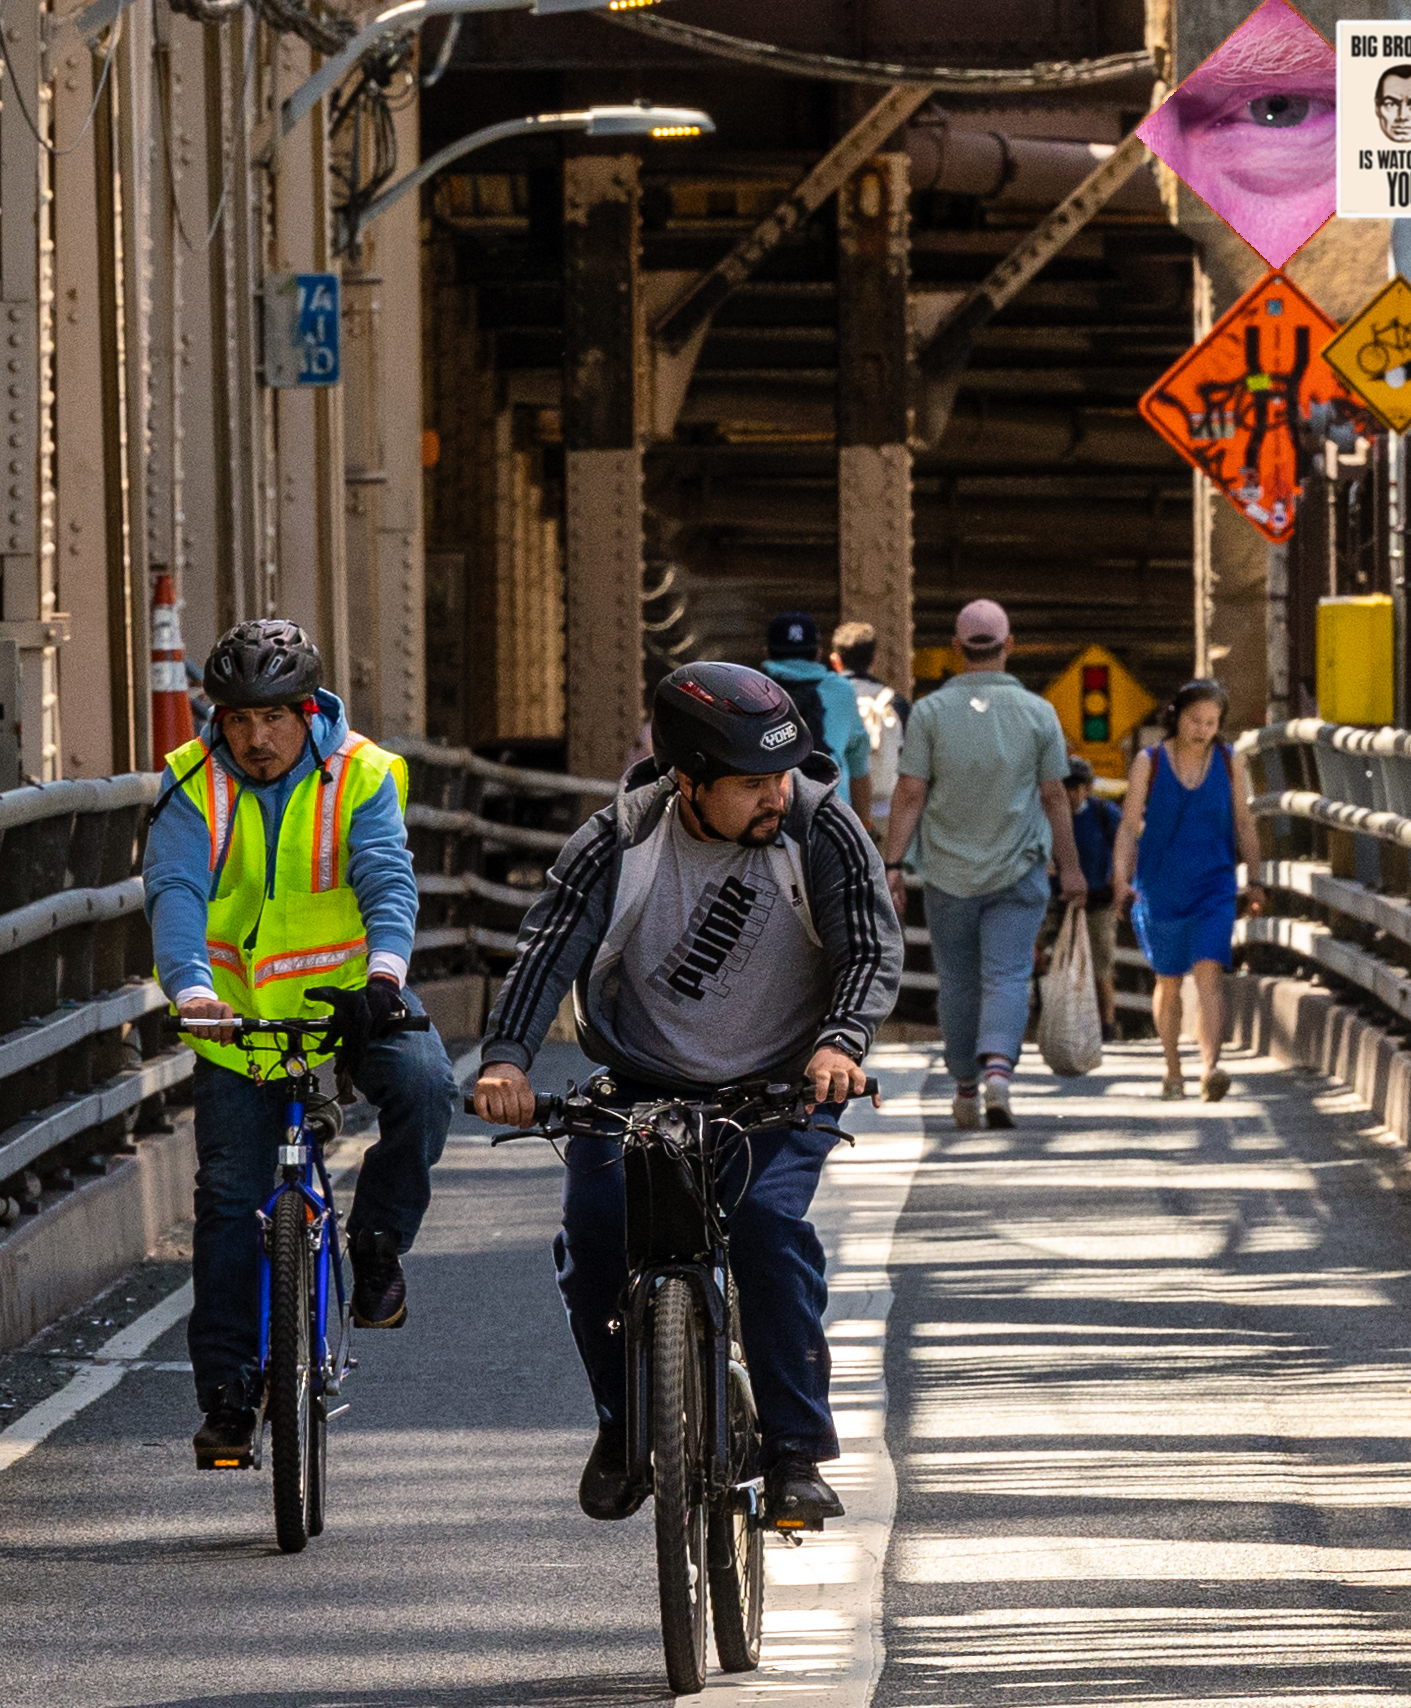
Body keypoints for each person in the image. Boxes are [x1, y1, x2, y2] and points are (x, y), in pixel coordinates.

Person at [471, 662, 899, 1528]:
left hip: (785, 1084)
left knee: (767, 1231)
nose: (776, 794)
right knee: (593, 1237)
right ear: (690, 784)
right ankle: (625, 1423)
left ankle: (792, 1454)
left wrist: (840, 1042)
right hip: (639, 1084)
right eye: (752, 784)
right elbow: (546, 948)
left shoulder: (821, 828)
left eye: (781, 775)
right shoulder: (619, 841)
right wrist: (506, 1060)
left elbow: (868, 948)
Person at [144, 618, 451, 1467]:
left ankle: (379, 1240)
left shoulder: (360, 772)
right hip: (236, 1018)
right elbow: (174, 888)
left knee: (426, 1087)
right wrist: (192, 990)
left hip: (354, 995)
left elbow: (386, 874)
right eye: (237, 719)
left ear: (306, 710)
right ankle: (229, 1394)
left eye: (273, 717)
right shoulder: (189, 784)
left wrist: (386, 976)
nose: (254, 738)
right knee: (228, 1199)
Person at [881, 600, 1087, 1130]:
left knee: (958, 980)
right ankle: (999, 1071)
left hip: (948, 873)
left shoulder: (927, 713)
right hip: (1018, 870)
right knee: (1008, 975)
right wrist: (1071, 868)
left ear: (956, 649)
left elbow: (908, 793)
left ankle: (965, 1086)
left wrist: (892, 864)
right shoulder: (1039, 713)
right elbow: (1055, 798)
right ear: (1009, 645)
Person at [1112, 680, 1267, 1101]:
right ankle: (1173, 1070)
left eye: (1211, 722)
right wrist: (1120, 879)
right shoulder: (1151, 762)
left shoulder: (1229, 761)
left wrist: (1254, 879)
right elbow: (1128, 828)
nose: (1202, 729)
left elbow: (1244, 824)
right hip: (1160, 887)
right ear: (1176, 715)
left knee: (1208, 973)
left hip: (1214, 884)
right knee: (1168, 981)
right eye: (1195, 720)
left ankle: (1211, 1067)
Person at [763, 611, 872, 820]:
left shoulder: (754, 689)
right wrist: (865, 826)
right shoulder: (842, 691)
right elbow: (858, 764)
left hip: (770, 816)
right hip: (831, 815)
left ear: (768, 652)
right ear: (818, 653)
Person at [1059, 755, 1123, 1040]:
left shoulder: (1102, 813)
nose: (1071, 793)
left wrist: (1118, 878)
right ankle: (1068, 1025)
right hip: (1060, 901)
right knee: (1060, 964)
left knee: (1101, 967)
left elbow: (1126, 844)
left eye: (1077, 786)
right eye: (1066, 786)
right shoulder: (1051, 815)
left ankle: (1107, 1025)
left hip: (1099, 900)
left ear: (1087, 788)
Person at [831, 621, 908, 832]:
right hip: (887, 811)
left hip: (838, 810)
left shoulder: (826, 700)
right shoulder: (896, 702)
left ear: (835, 660)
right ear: (873, 660)